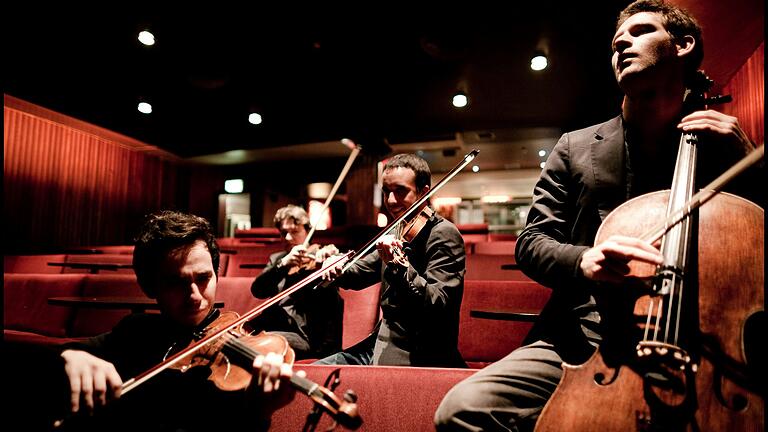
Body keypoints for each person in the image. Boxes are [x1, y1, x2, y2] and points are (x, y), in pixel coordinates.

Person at [435, 1, 760, 430]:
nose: (621, 42)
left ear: (683, 45)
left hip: (703, 343)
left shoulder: (725, 149)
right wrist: (585, 260)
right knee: (462, 409)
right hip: (583, 339)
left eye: (640, 31)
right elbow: (532, 243)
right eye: (615, 42)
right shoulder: (576, 147)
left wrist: (752, 163)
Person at [28, 211, 299, 431]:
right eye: (176, 282)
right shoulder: (135, 331)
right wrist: (69, 355)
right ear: (148, 287)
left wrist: (258, 413)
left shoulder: (238, 366)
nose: (195, 296)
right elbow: (55, 354)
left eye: (203, 278)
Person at [316, 153, 467, 367]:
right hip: (380, 342)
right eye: (386, 193)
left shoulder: (443, 234)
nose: (391, 201)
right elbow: (359, 273)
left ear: (424, 192)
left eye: (400, 191)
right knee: (317, 372)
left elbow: (438, 304)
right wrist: (337, 264)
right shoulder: (398, 230)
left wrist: (399, 266)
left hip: (417, 351)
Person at [249, 204, 344, 359]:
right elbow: (258, 290)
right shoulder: (278, 260)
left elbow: (331, 301)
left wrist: (328, 260)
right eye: (283, 232)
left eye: (294, 232)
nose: (287, 238)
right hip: (271, 328)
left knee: (260, 343)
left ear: (307, 232)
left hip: (304, 336)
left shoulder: (320, 258)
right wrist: (282, 265)